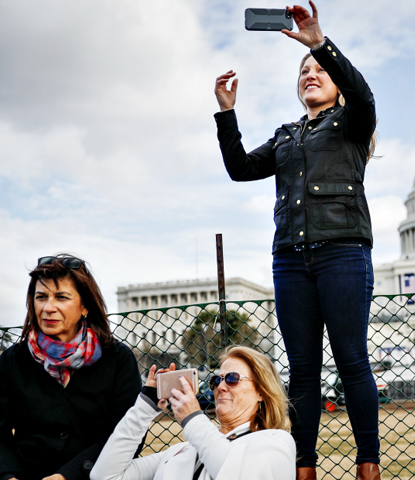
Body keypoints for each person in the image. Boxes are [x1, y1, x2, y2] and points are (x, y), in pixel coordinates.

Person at [213, 2, 380, 479]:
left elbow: (363, 94)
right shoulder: (286, 135)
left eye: (319, 69)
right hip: (289, 259)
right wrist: (227, 113)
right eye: (304, 70)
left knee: (352, 361)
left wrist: (319, 45)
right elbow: (240, 169)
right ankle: (302, 466)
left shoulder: (352, 123)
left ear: (333, 79)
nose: (311, 73)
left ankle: (367, 463)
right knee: (302, 371)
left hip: (343, 252)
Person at [0, 254, 142, 480]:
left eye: (61, 297)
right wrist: (8, 476)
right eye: (41, 297)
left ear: (85, 305)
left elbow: (128, 434)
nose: (48, 307)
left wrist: (68, 475)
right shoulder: (11, 361)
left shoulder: (118, 359)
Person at [90, 346, 295, 480]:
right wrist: (145, 405)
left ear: (261, 391)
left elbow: (235, 474)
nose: (220, 387)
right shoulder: (181, 451)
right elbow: (105, 476)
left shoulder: (275, 441)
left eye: (232, 378)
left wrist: (193, 419)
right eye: (216, 380)